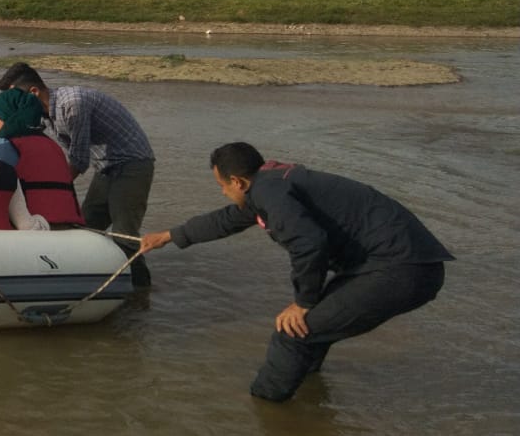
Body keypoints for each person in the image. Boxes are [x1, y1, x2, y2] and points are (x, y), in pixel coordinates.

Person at [138, 142, 453, 402]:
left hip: (399, 268)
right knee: (312, 334)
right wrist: (168, 236)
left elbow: (309, 243)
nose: (223, 193)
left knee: (292, 333)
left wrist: (303, 302)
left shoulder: (269, 193)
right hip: (398, 264)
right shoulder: (271, 184)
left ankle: (265, 412)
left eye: (222, 186)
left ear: (237, 182)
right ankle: (309, 403)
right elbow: (226, 220)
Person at [0, 62, 155, 283]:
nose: (15, 104)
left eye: (17, 97)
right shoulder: (44, 115)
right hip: (105, 166)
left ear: (34, 91)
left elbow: (79, 160)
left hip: (131, 164)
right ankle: (91, 281)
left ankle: (140, 292)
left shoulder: (72, 104)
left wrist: (51, 192)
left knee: (125, 233)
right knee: (87, 226)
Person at [0, 88, 84, 227]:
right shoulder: (52, 145)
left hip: (34, 226)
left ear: (5, 116)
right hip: (69, 224)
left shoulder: (2, 145)